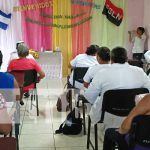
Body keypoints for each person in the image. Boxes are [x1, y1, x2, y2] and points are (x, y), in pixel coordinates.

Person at [84, 47, 150, 126]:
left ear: (111, 59)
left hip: (107, 116)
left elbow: (89, 96)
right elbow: (148, 90)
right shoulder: (139, 71)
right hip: (134, 115)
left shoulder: (102, 73)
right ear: (127, 58)